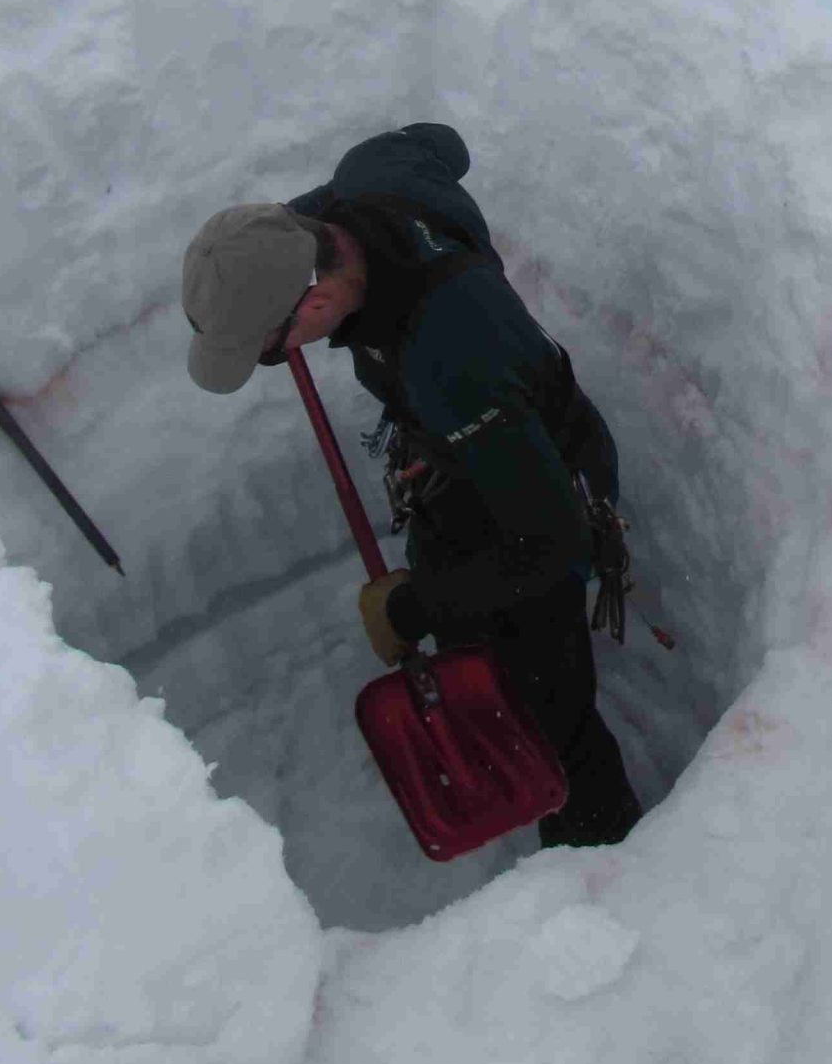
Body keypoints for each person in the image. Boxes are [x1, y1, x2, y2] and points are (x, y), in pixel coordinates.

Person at [180, 121, 641, 849]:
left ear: (314, 305)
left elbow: (552, 543)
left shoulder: (450, 354)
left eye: (269, 353)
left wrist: (414, 603)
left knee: (551, 705)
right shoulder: (364, 184)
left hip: (546, 479)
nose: (278, 360)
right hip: (459, 448)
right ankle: (476, 685)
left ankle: (602, 857)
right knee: (461, 610)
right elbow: (443, 143)